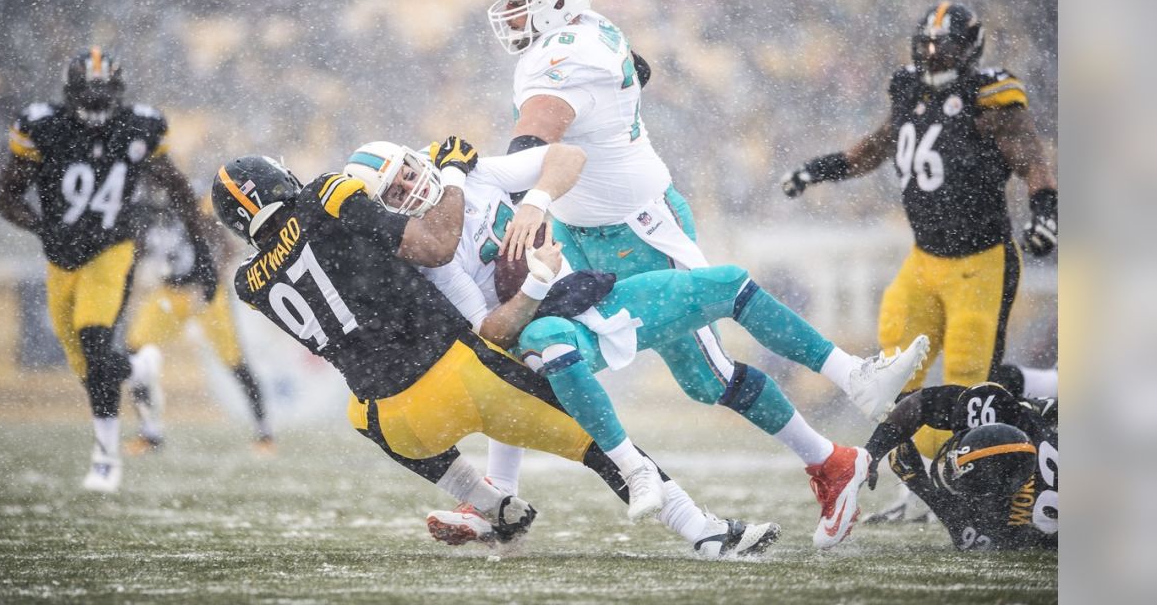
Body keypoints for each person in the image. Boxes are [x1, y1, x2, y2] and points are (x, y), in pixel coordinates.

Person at [485, 0, 928, 547]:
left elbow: (533, 140)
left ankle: (835, 447)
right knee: (529, 355)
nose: (506, 19)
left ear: (557, 1)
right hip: (582, 228)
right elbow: (638, 69)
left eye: (517, 7)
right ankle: (496, 499)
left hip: (639, 231)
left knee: (707, 376)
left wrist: (513, 196)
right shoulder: (586, 30)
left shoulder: (562, 58)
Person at [345, 140, 927, 549]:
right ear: (383, 212)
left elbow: (567, 157)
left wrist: (535, 200)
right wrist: (539, 281)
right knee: (545, 346)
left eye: (407, 171)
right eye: (393, 190)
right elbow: (491, 335)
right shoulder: (428, 259)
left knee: (724, 290)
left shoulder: (473, 176)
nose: (409, 186)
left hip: (594, 293)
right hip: (554, 329)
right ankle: (639, 488)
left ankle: (853, 384)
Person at [211, 143, 780, 559]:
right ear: (282, 182)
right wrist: (454, 174)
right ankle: (701, 529)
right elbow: (432, 245)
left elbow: (338, 279)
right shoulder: (327, 195)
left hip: (398, 421)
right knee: (598, 446)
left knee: (359, 413)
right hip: (458, 372)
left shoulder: (248, 282)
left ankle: (489, 502)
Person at [780, 1, 1059, 515]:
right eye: (926, 44)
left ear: (969, 49)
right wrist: (819, 169)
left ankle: (978, 482)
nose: (933, 53)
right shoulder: (909, 86)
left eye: (945, 45)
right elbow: (879, 146)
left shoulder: (988, 94)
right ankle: (919, 486)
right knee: (891, 374)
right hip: (923, 260)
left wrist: (1046, 210)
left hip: (981, 262)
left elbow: (1031, 156)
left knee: (972, 381)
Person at [0, 47, 219, 493]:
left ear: (117, 93)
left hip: (112, 250)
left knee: (96, 347)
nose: (96, 104)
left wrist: (203, 250)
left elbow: (176, 190)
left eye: (103, 93)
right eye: (88, 93)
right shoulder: (44, 126)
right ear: (70, 93)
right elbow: (5, 196)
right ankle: (138, 370)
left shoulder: (139, 127)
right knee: (88, 367)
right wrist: (42, 228)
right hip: (62, 259)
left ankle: (105, 459)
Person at [123, 184, 273, 454]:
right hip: (169, 291)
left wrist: (208, 282)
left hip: (206, 294)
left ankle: (264, 432)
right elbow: (139, 251)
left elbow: (222, 245)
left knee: (234, 361)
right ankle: (150, 432)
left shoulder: (191, 205)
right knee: (135, 353)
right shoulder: (144, 214)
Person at [862, 382, 1057, 550]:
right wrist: (871, 454)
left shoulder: (1024, 495)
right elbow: (919, 404)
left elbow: (980, 544)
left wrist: (919, 482)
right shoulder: (1019, 414)